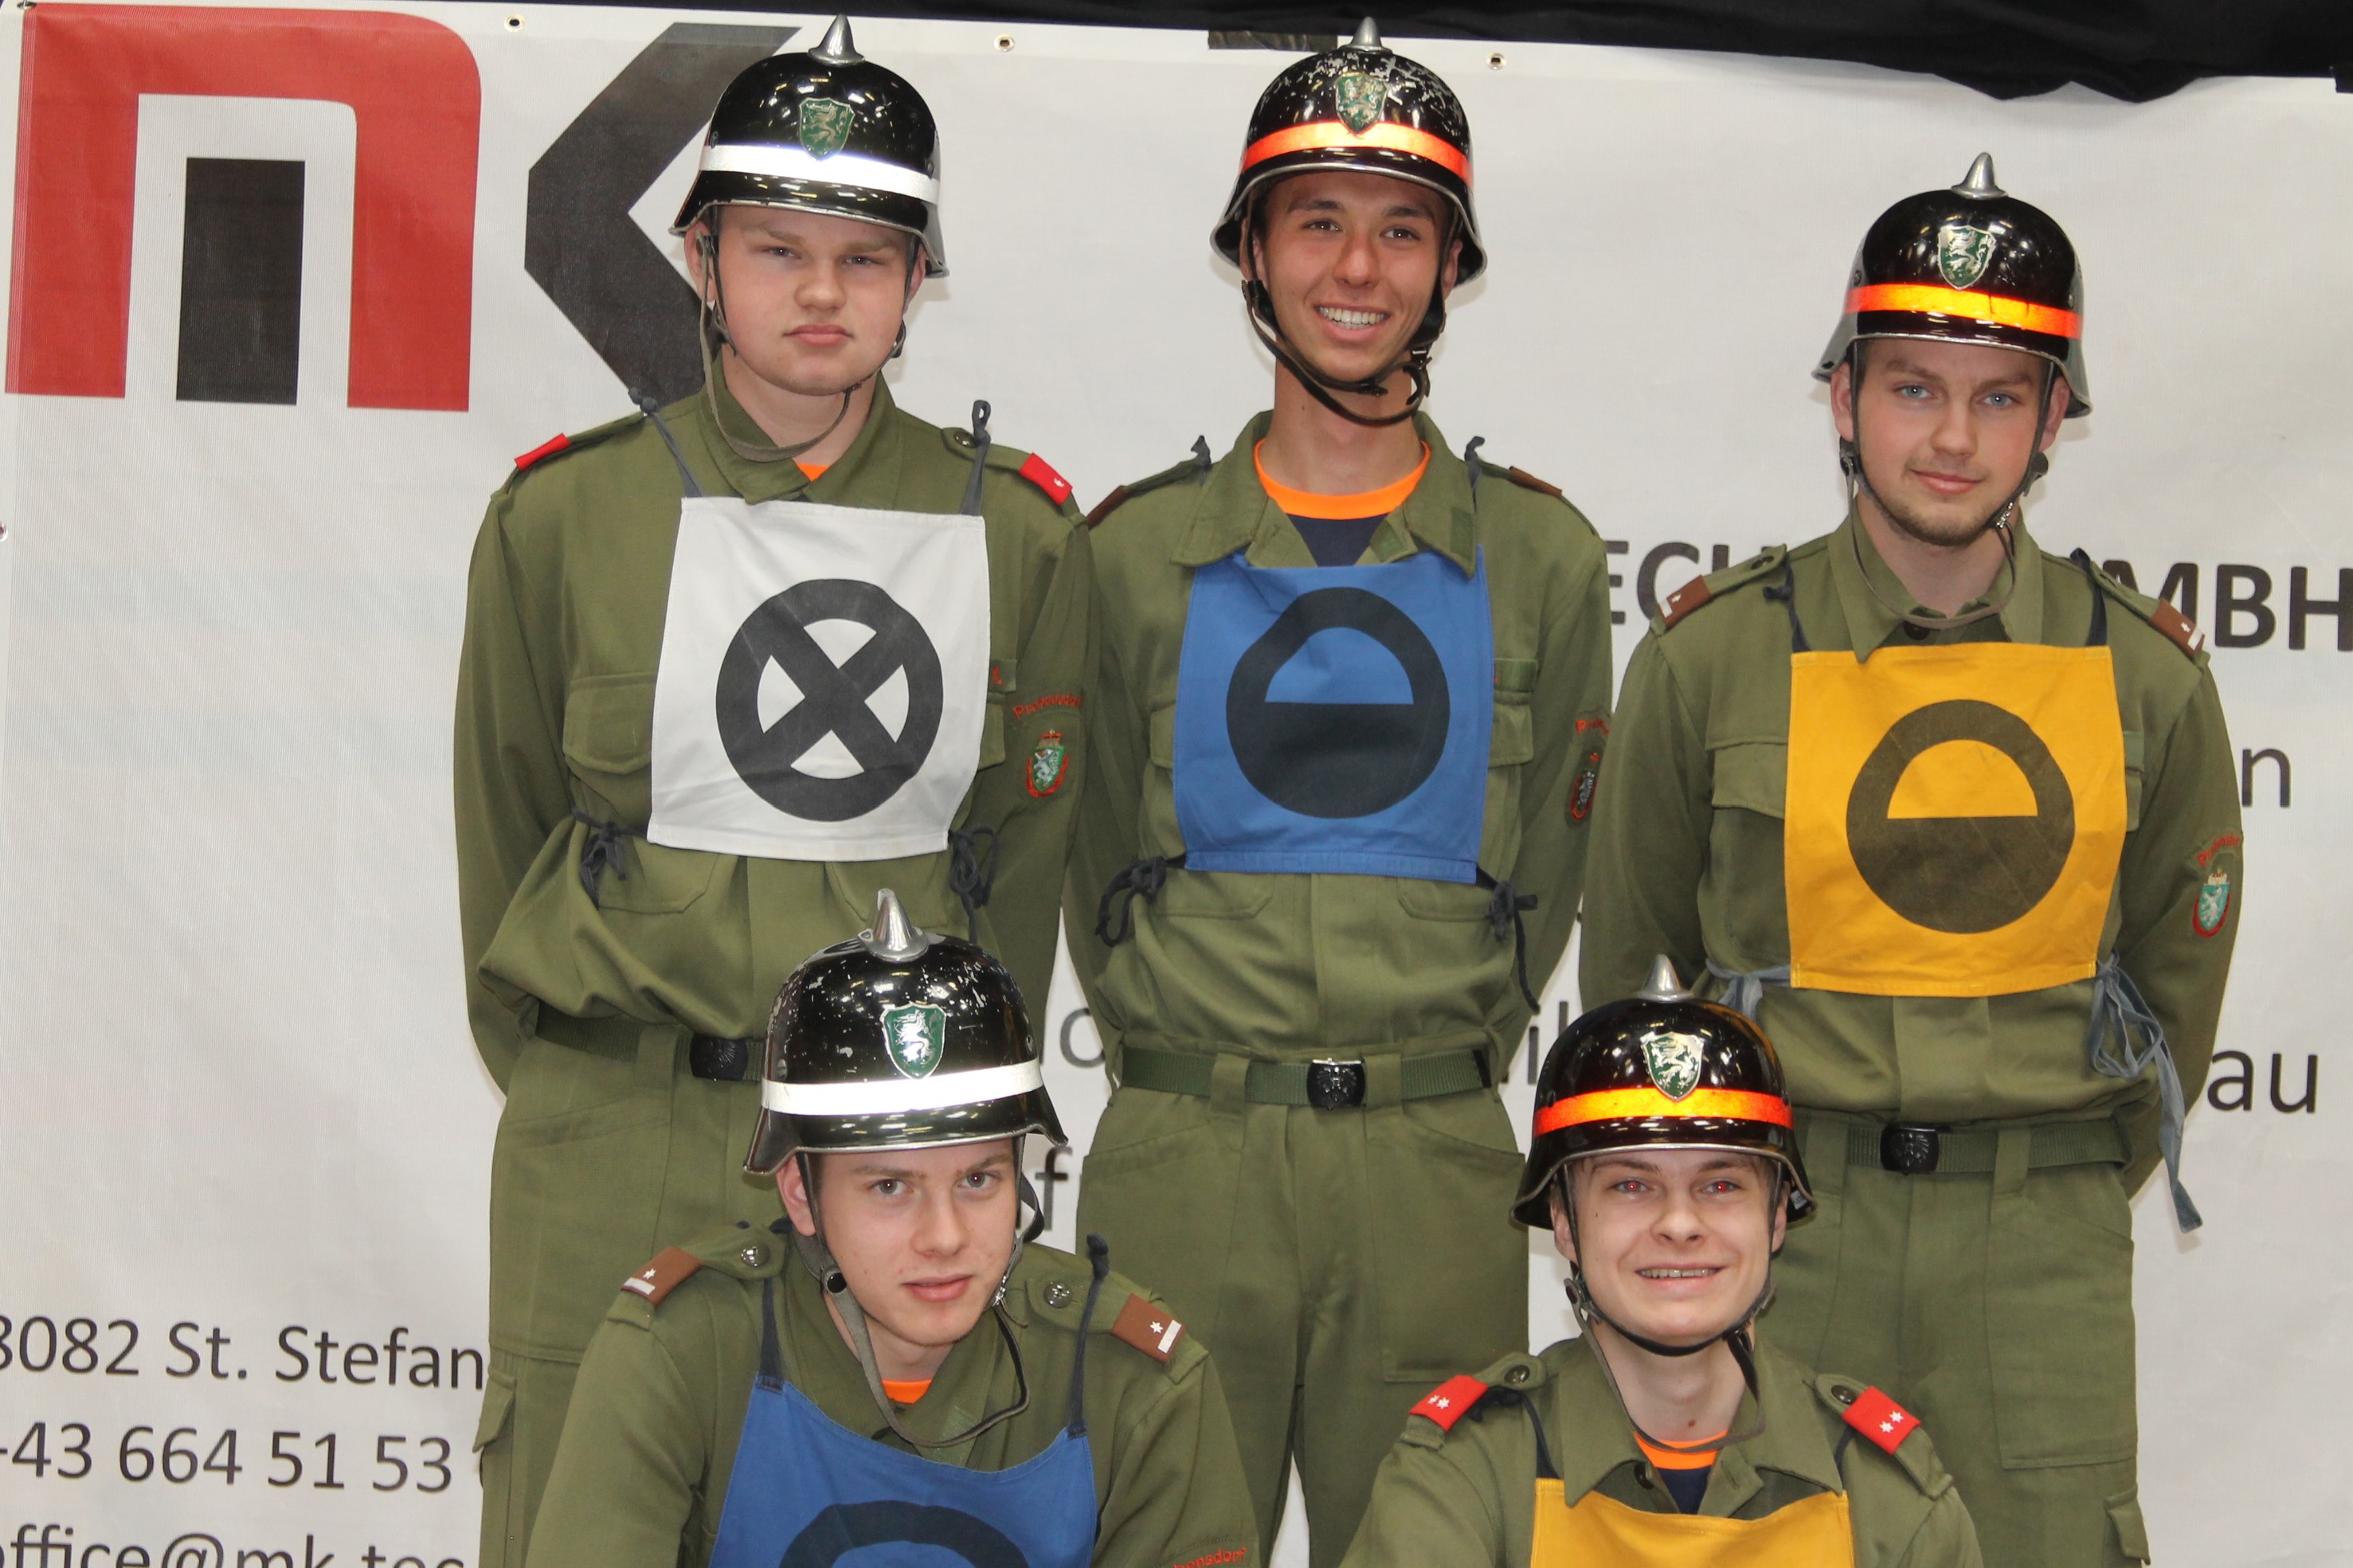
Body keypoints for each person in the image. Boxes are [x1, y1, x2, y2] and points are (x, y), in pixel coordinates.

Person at [452, 21, 1090, 1565]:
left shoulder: (1014, 534)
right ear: (699, 257)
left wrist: (923, 1118)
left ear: (918, 278)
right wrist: (594, 1076)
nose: (821, 292)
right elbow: (505, 831)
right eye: (777, 249)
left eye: (865, 256)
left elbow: (1013, 871)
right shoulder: (565, 516)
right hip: (616, 1120)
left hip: (876, 1156)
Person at [1579, 154, 2241, 1565]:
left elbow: (2173, 1002)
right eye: (1912, 387)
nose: (1951, 435)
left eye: (1998, 396)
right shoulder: (1712, 659)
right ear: (1842, 397)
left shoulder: (2143, 676)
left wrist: (2049, 1170)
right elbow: (1627, 969)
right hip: (1785, 1229)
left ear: (2052, 418)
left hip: (2037, 1245)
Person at [1067, 21, 1614, 1564]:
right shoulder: (1130, 555)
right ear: (1251, 250)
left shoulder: (1538, 557)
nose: (1357, 268)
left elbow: (1549, 873)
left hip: (1428, 1164)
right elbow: (1086, 859)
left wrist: (1425, 1049)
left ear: (1447, 267)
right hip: (1186, 1154)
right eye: (1316, 221)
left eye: (1401, 229)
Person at [524, 890, 1261, 1567]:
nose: (944, 1236)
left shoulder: (1132, 1385)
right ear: (800, 1193)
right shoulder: (683, 1353)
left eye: (979, 1180)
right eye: (890, 1186)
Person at [1341, 960, 1982, 1564]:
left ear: (1778, 1215)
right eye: (1631, 1185)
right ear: (1562, 1218)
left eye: (1721, 1184)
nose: (1679, 1223)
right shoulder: (1464, 1476)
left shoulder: (1882, 1493)